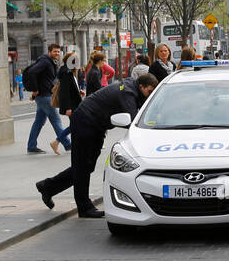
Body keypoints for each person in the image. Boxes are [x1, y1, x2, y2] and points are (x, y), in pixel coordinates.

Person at [35, 72, 158, 217]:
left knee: (86, 166)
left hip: (95, 124)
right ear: (141, 86)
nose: (150, 95)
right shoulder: (128, 93)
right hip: (85, 122)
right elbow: (131, 121)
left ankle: (48, 187)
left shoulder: (133, 88)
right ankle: (84, 207)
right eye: (149, 91)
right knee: (82, 167)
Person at [25, 44, 70, 155]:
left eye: (58, 52)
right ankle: (68, 144)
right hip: (45, 96)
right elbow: (32, 73)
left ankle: (31, 146)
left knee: (39, 122)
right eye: (55, 51)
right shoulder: (45, 61)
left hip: (43, 96)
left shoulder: (50, 62)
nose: (57, 54)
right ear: (49, 52)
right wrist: (35, 90)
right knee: (56, 121)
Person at [57, 49, 83, 118]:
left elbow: (71, 86)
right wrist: (68, 108)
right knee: (76, 125)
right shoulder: (66, 72)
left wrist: (79, 91)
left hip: (74, 103)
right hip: (72, 105)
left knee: (76, 125)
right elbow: (65, 91)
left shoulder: (69, 71)